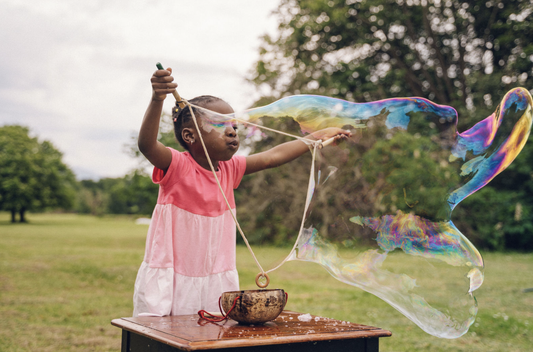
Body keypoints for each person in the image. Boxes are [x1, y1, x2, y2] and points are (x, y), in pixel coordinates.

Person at [133, 66, 351, 317]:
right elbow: (146, 145)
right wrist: (157, 99)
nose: (232, 131)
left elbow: (273, 156)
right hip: (174, 276)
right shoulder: (178, 166)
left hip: (216, 277)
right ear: (189, 136)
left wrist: (317, 137)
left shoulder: (229, 169)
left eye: (233, 126)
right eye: (220, 124)